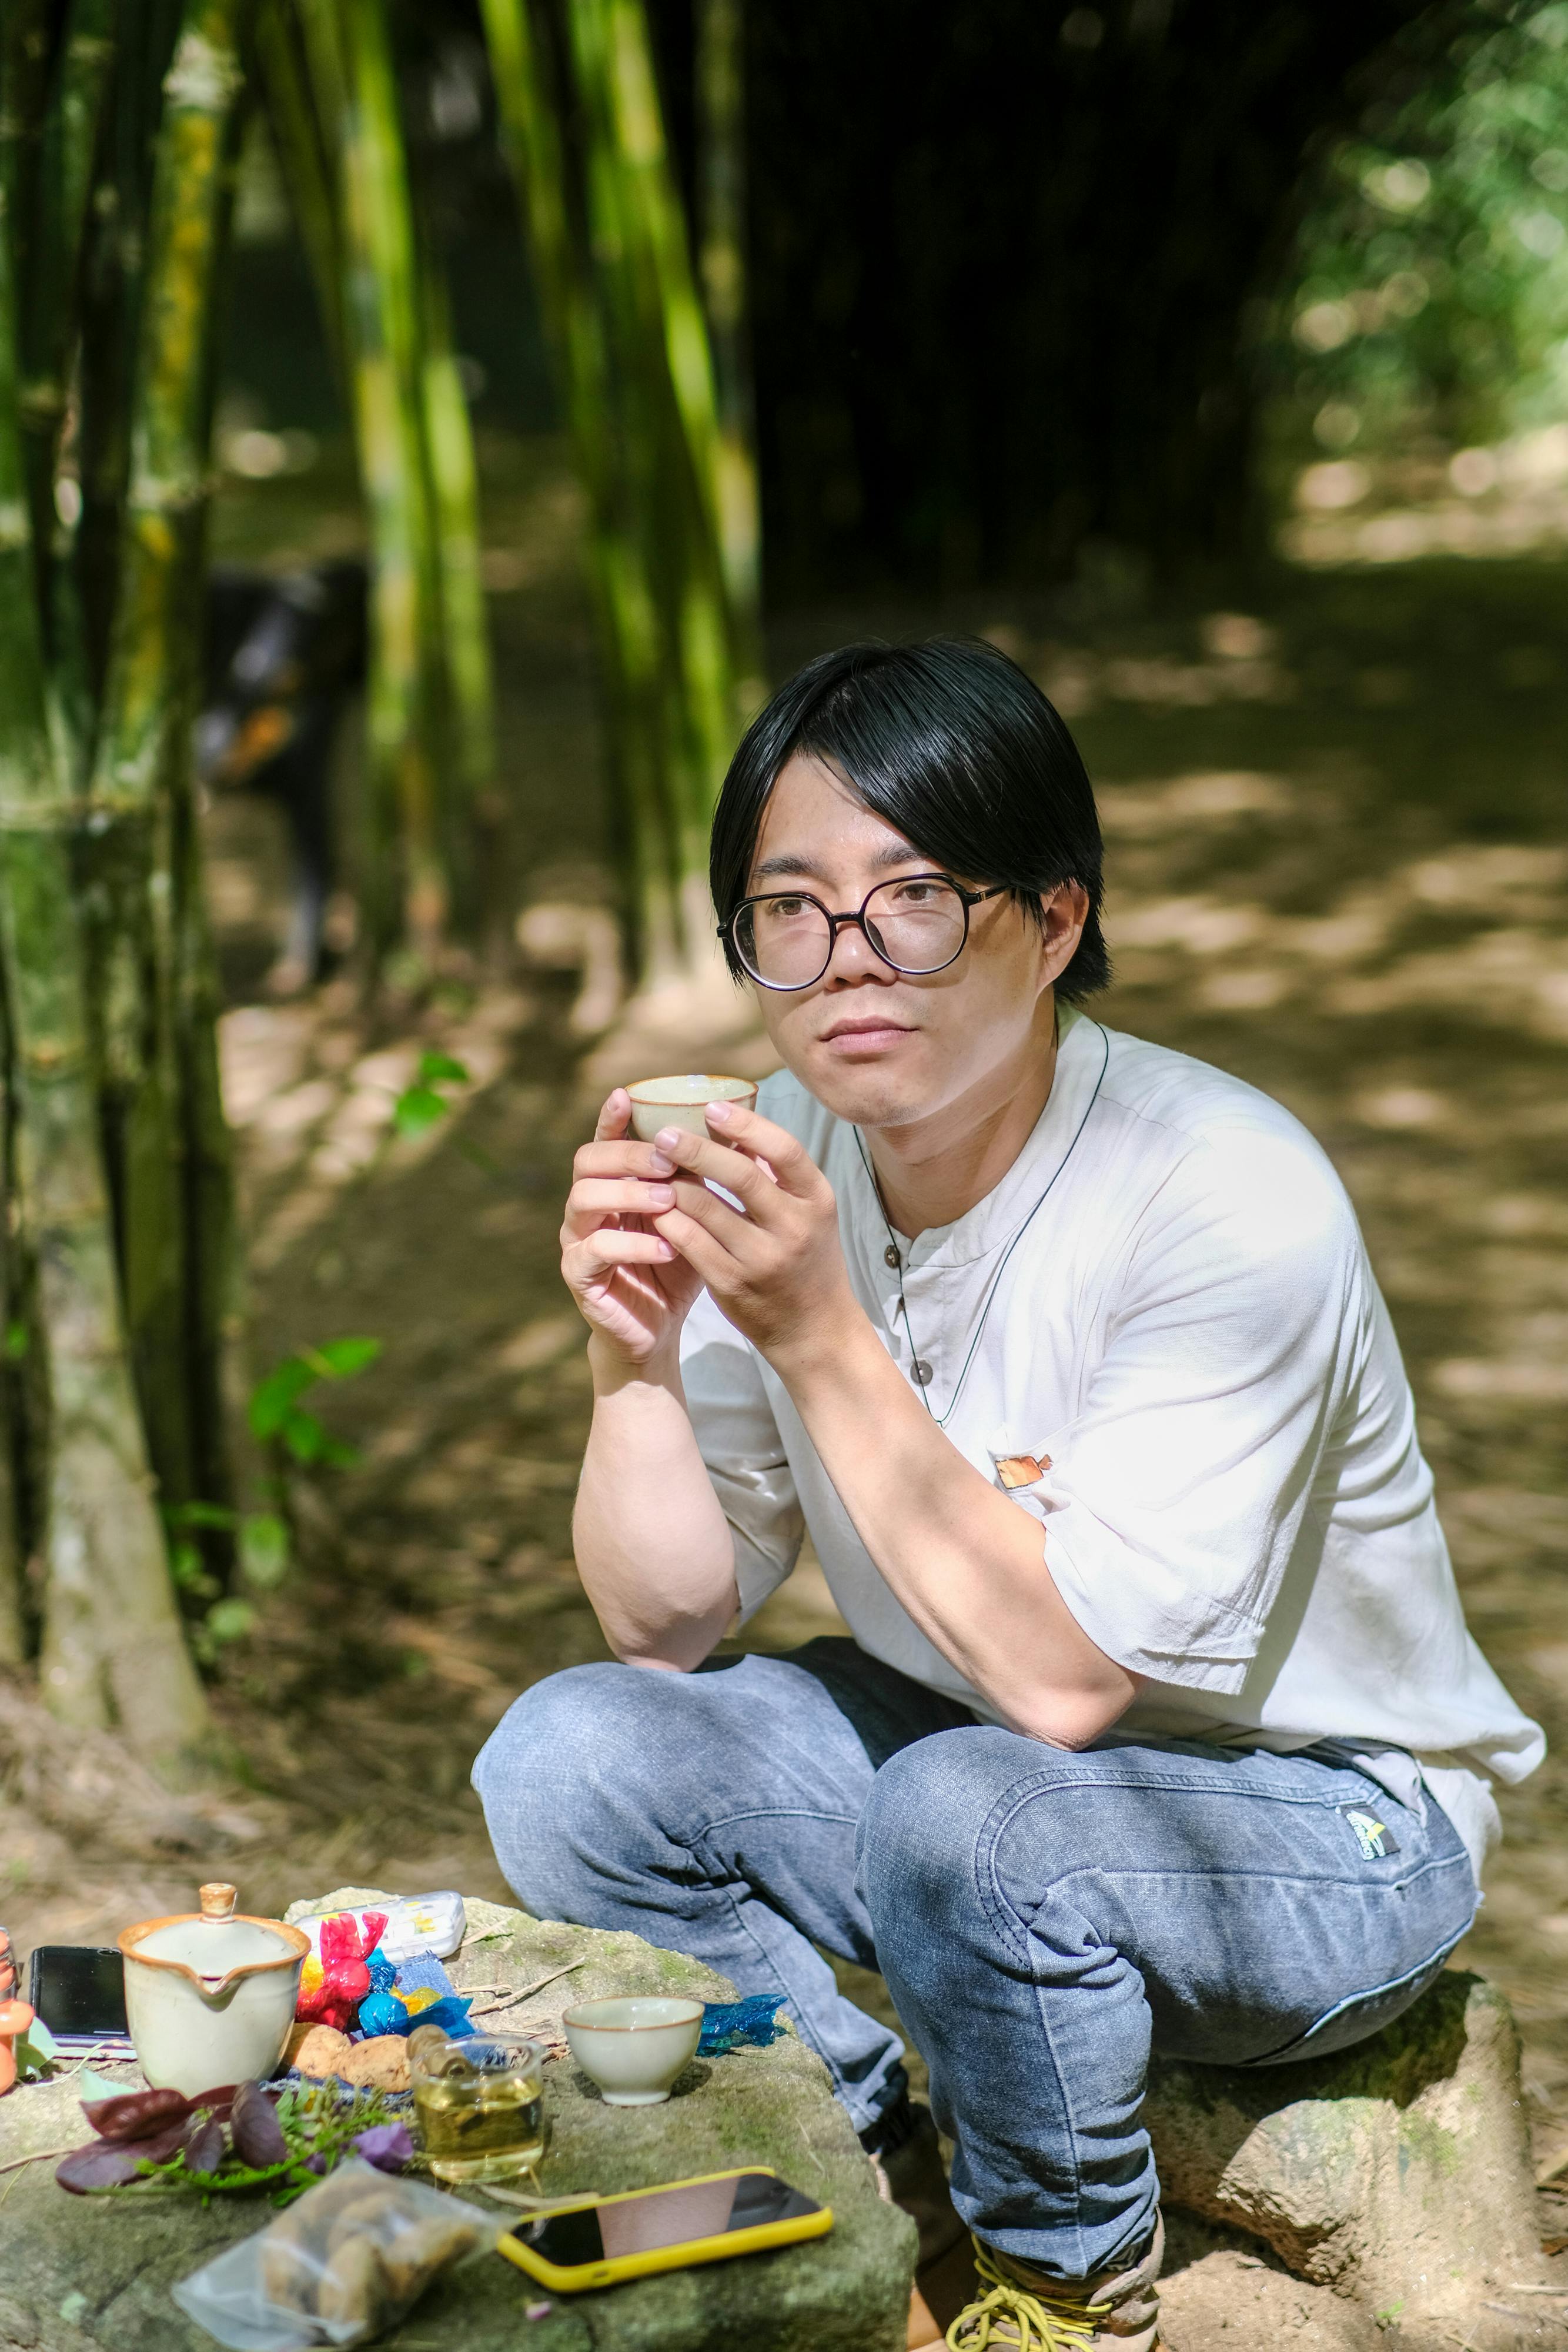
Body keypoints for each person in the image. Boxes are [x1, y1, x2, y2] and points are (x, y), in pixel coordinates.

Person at [474, 640, 1543, 2351]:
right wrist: (631, 1355)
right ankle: (863, 2179)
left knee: (972, 1813)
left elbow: (1065, 1687)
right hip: (974, 1770)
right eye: (790, 910)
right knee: (574, 1755)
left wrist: (817, 1333)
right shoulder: (780, 1147)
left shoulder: (1222, 1192)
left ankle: (1057, 2285)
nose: (846, 964)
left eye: (912, 899)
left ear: (1049, 924)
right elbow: (664, 1620)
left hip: (1318, 1821)